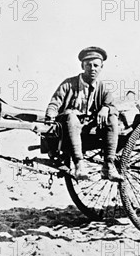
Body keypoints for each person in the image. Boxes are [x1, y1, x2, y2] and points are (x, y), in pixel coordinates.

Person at [45, 46, 123, 182]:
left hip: (90, 125)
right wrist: (50, 115)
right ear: (82, 66)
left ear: (101, 67)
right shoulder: (69, 84)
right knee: (71, 116)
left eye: (96, 65)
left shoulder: (102, 87)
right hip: (69, 125)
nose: (92, 68)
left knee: (112, 118)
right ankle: (79, 164)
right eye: (88, 65)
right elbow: (55, 102)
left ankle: (109, 165)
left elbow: (112, 106)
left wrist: (106, 108)